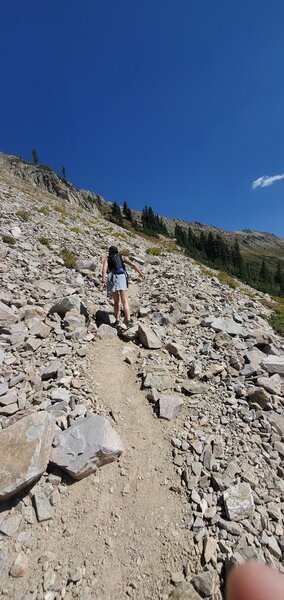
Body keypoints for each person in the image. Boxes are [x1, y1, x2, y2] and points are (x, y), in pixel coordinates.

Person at [101, 246, 145, 327]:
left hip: (112, 278)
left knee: (116, 302)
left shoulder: (107, 259)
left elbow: (104, 269)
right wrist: (140, 273)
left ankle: (117, 320)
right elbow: (132, 264)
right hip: (121, 277)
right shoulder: (122, 257)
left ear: (109, 252)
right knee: (125, 300)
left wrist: (103, 281)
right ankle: (128, 320)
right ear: (117, 252)